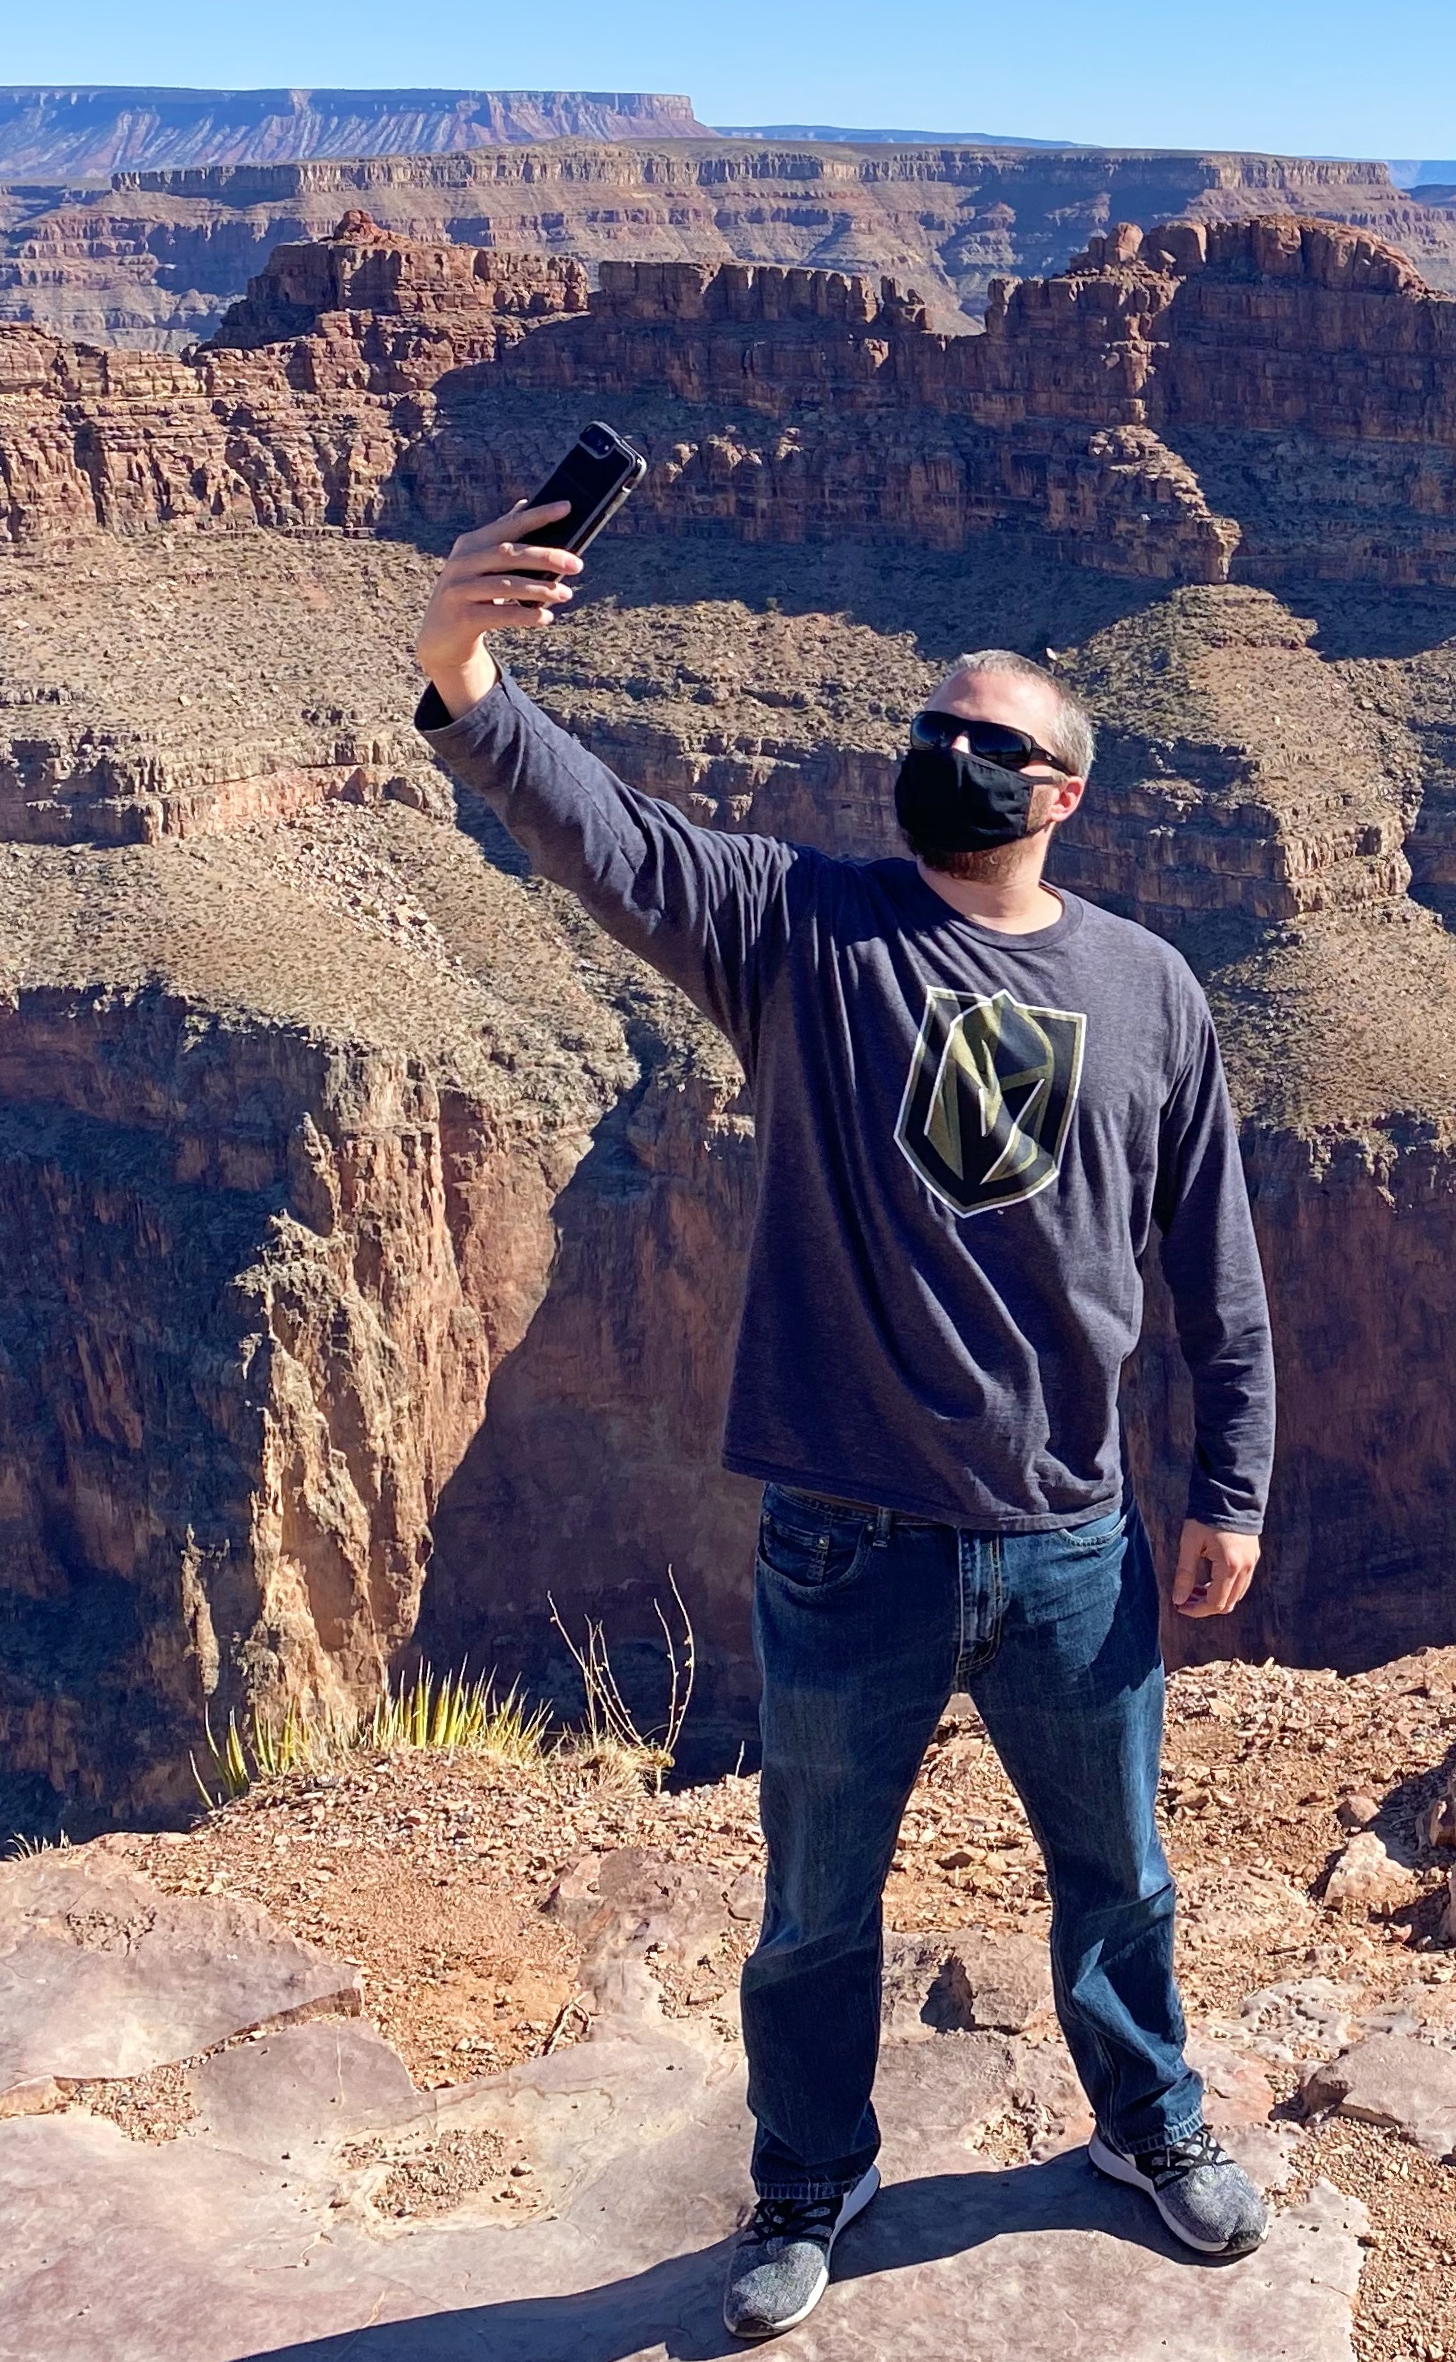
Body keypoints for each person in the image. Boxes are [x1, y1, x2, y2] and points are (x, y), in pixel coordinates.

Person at [411, 497, 1280, 2342]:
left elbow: (1216, 1258)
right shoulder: (805, 929)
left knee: (1119, 1878)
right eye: (929, 728)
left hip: (1068, 1540)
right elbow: (612, 843)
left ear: (1058, 794)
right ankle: (810, 2178)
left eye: (991, 744)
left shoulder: (1147, 990)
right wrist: (463, 675)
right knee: (814, 1906)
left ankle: (1150, 2127)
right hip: (846, 1540)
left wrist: (1232, 1485)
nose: (944, 756)